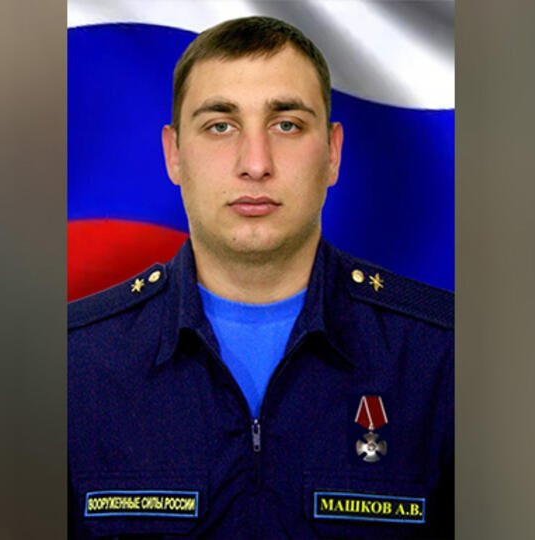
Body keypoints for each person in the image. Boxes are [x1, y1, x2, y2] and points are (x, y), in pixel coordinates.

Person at [69, 16, 453, 539]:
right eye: (220, 126)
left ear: (333, 153)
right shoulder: (74, 366)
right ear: (174, 154)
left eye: (286, 125)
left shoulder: (444, 358)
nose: (255, 164)